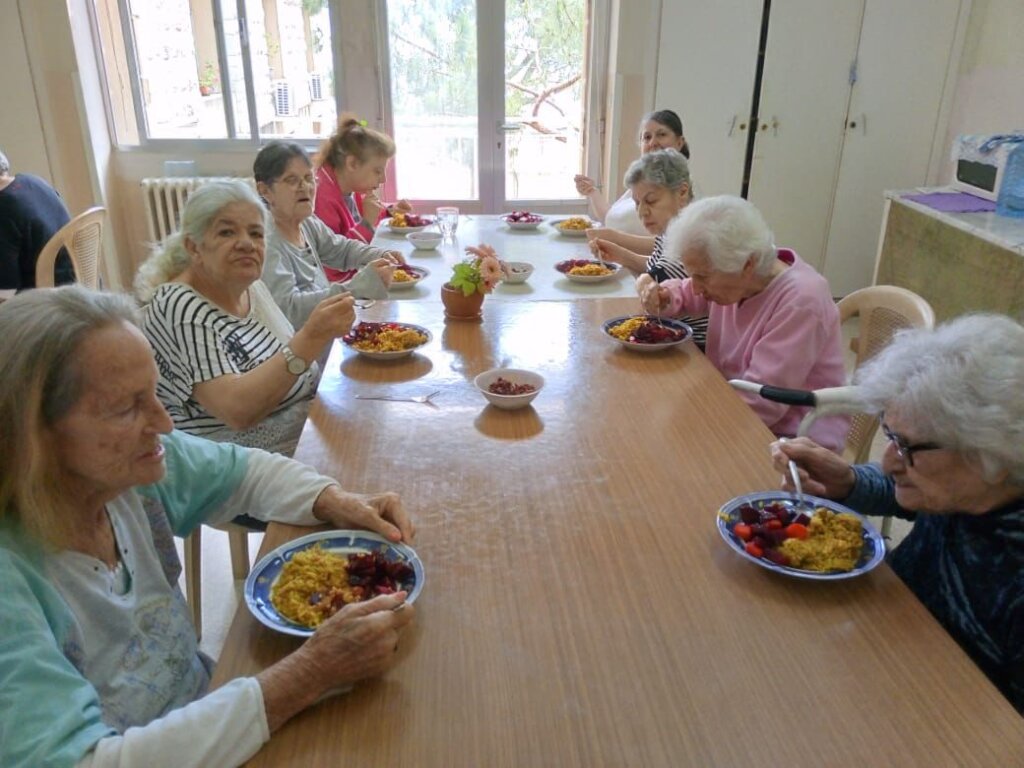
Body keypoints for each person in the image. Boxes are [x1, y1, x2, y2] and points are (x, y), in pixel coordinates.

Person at [0, 286, 416, 767]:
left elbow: (244, 472)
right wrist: (308, 673)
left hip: (206, 711)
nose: (164, 423)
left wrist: (335, 499)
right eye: (126, 408)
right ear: (30, 438)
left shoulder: (126, 472)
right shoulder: (13, 584)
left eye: (154, 393)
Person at [770, 314, 1024, 713]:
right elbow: (900, 493)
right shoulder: (967, 491)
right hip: (879, 647)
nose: (888, 462)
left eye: (907, 447)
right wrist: (848, 481)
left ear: (995, 454)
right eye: (890, 437)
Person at [136, 180, 353, 456]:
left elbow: (298, 368)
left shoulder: (250, 287)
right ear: (194, 247)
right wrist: (311, 337)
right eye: (226, 232)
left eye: (256, 233)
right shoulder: (180, 305)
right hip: (230, 464)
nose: (246, 244)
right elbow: (237, 411)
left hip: (297, 434)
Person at [638, 195, 848, 451]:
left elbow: (763, 401)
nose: (696, 287)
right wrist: (665, 296)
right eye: (693, 275)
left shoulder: (802, 301)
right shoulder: (738, 277)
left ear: (748, 264)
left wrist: (689, 420)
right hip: (731, 404)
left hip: (791, 439)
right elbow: (687, 291)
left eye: (702, 277)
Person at [255, 141, 403, 330]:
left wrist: (380, 255)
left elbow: (341, 249)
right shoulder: (264, 242)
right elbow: (290, 311)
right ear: (265, 190)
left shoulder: (306, 221)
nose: (305, 187)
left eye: (309, 178)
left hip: (328, 330)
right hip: (304, 343)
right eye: (291, 180)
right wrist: (356, 288)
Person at [586, 149, 707, 347]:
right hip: (671, 333)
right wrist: (620, 255)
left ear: (682, 192)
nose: (642, 211)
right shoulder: (670, 227)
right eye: (637, 203)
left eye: (651, 201)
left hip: (693, 346)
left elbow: (656, 281)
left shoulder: (693, 235)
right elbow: (655, 265)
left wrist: (643, 278)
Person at [574, 109, 689, 235]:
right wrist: (592, 191)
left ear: (679, 142)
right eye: (647, 137)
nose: (653, 143)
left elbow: (668, 242)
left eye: (661, 134)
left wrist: (615, 239)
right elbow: (611, 219)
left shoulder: (681, 188)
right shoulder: (640, 183)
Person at [313, 114, 412, 243]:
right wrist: (367, 223)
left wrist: (390, 211)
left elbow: (364, 211)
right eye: (377, 171)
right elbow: (334, 253)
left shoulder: (351, 185)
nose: (383, 180)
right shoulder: (321, 198)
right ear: (352, 164)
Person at [0, 147, 75, 289]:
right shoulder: (32, 181)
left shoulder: (3, 209)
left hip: (49, 296)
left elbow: (5, 291)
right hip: (77, 284)